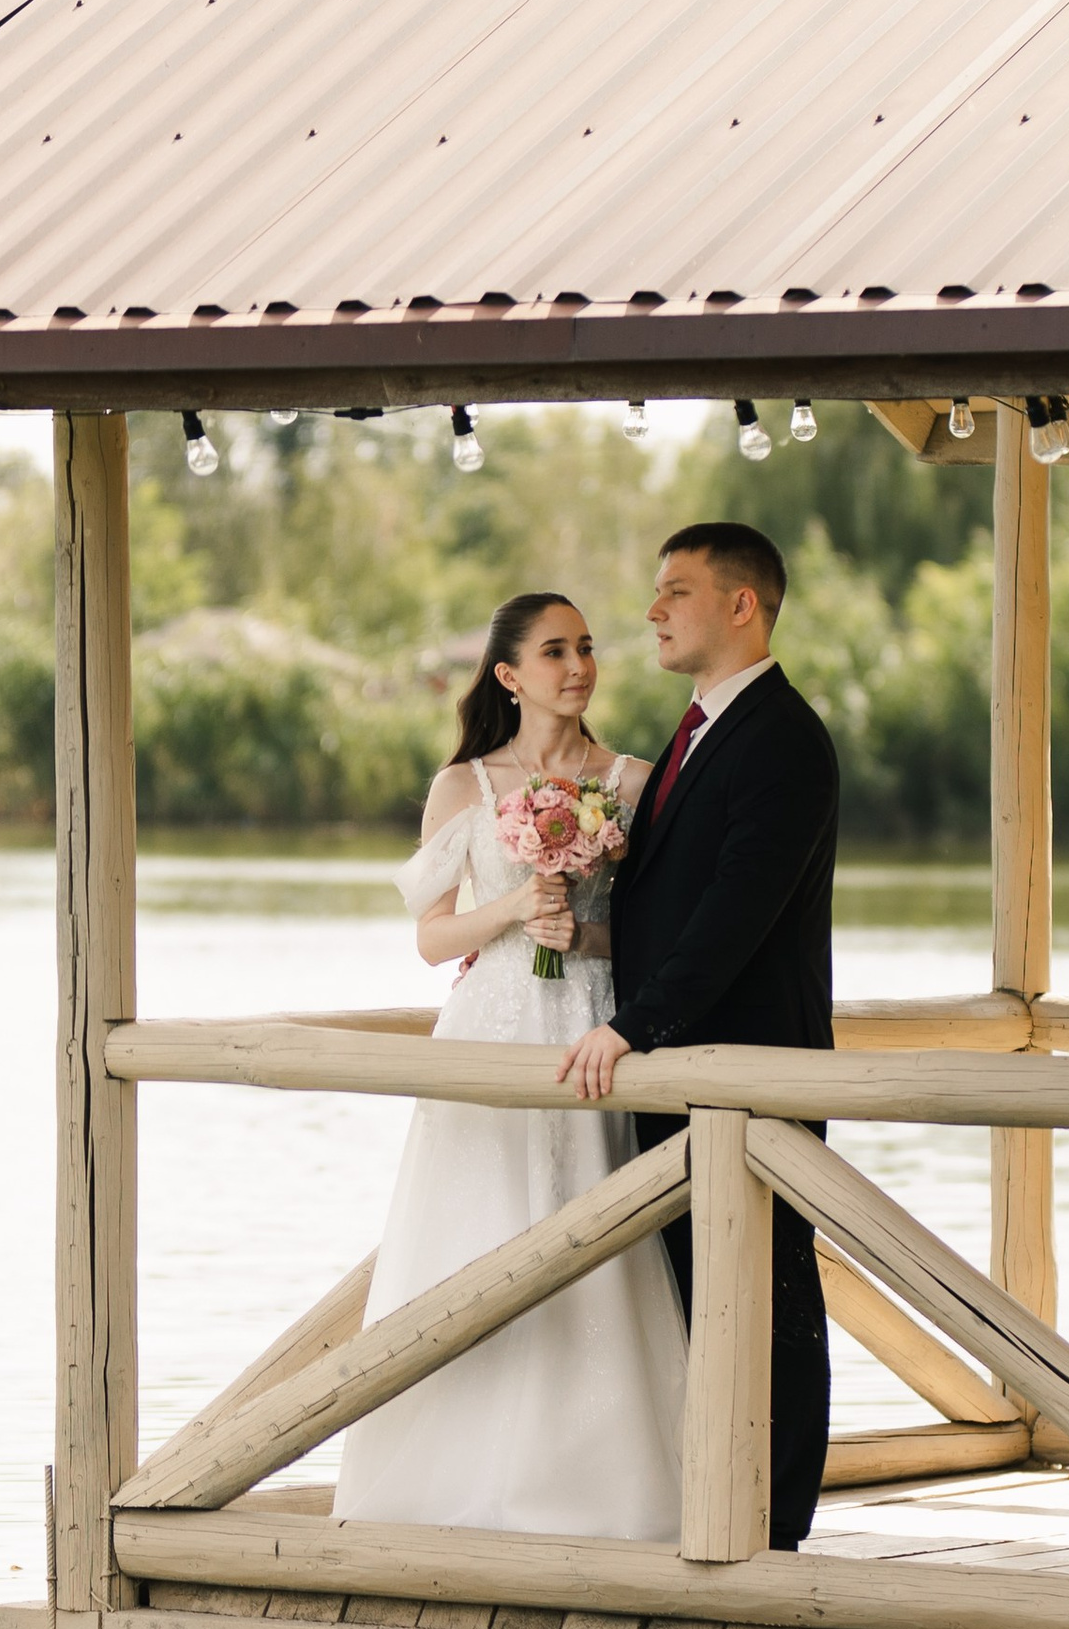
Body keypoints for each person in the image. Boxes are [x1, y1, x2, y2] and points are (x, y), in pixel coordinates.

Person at [332, 590, 686, 1538]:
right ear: (509, 675)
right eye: (555, 651)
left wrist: (582, 934)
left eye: (587, 648)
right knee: (478, 1231)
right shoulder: (464, 787)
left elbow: (661, 936)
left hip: (591, 1029)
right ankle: (452, 1479)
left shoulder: (634, 780)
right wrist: (516, 910)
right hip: (488, 1027)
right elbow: (431, 938)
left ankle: (597, 1486)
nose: (579, 667)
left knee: (590, 1228)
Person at [558, 522, 839, 1550]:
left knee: (770, 1289)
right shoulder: (696, 731)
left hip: (750, 1068)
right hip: (682, 1072)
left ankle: (777, 1519)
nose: (653, 611)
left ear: (741, 605)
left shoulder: (784, 739)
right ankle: (707, 1492)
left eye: (675, 590)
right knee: (690, 1284)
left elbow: (735, 912)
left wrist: (632, 1026)